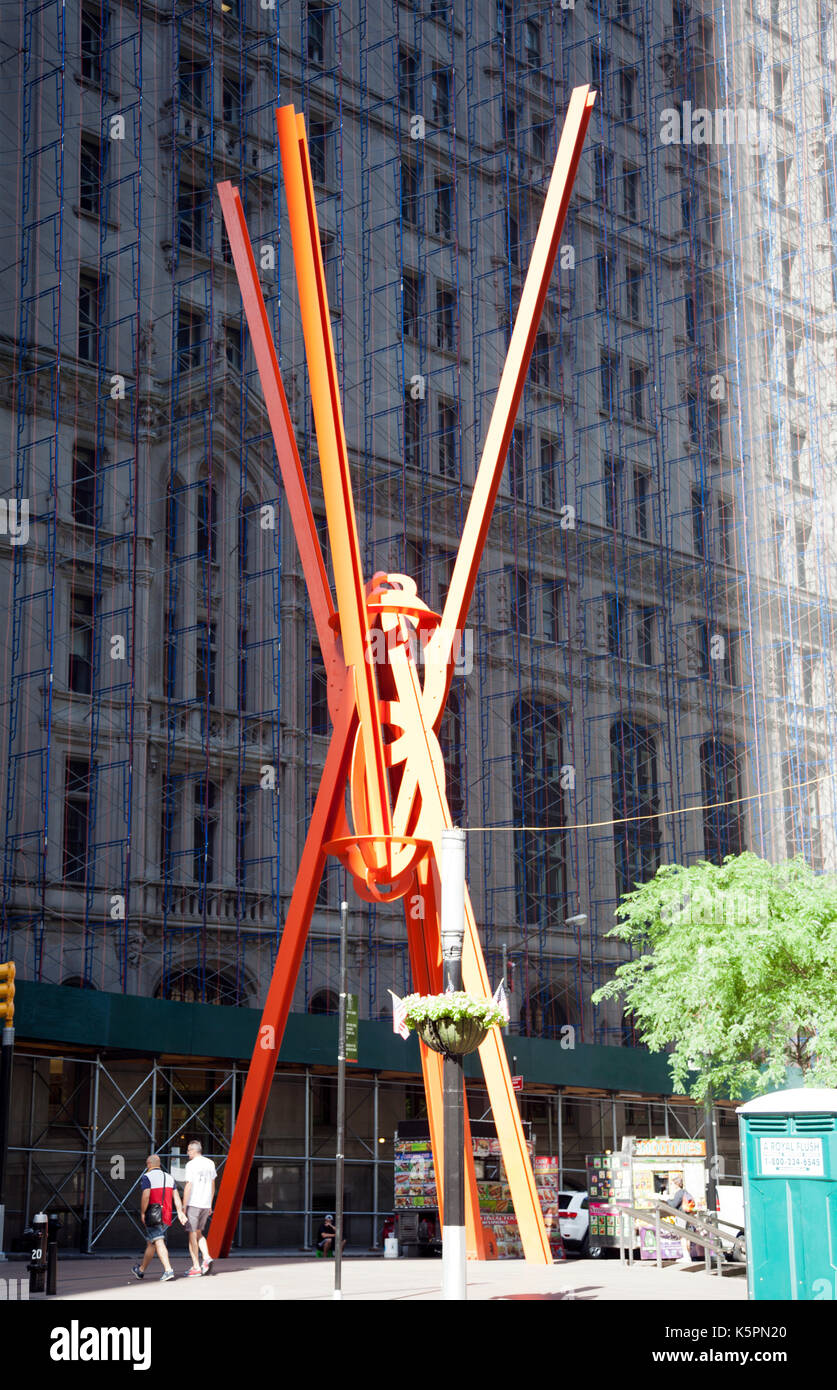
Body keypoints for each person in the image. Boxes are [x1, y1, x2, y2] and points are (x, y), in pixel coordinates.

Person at [132, 1153, 187, 1282]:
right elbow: (177, 1197)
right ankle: (140, 1271)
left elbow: (146, 1195)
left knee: (158, 1241)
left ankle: (168, 1270)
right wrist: (179, 1212)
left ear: (149, 1164)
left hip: (153, 1215)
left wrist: (143, 1212)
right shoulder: (169, 1177)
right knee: (152, 1242)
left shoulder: (147, 1177)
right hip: (166, 1215)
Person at [182, 1139, 218, 1277]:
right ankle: (207, 1257)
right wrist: (210, 1203)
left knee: (192, 1235)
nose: (187, 1153)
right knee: (199, 1233)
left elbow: (188, 1185)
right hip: (205, 1203)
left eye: (188, 1150)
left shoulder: (191, 1165)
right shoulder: (210, 1163)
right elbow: (213, 1184)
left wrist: (184, 1206)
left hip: (194, 1202)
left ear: (193, 1150)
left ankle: (196, 1266)